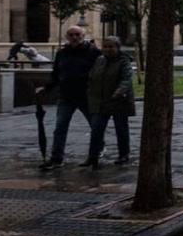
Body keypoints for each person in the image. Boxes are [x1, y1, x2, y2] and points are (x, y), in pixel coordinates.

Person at [36, 25, 100, 170]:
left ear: (83, 36)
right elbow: (56, 73)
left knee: (95, 126)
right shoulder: (62, 53)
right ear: (67, 37)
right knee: (60, 127)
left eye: (77, 34)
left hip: (86, 95)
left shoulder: (93, 52)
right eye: (71, 35)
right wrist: (46, 88)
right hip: (66, 96)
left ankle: (96, 152)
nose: (74, 37)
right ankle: (56, 158)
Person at [87, 36, 135, 167]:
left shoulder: (124, 61)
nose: (107, 49)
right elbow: (92, 77)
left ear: (117, 48)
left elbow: (126, 80)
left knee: (121, 129)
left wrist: (118, 93)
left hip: (118, 101)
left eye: (111, 46)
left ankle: (123, 155)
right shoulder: (100, 60)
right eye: (105, 46)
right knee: (96, 129)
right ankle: (92, 156)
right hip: (101, 101)